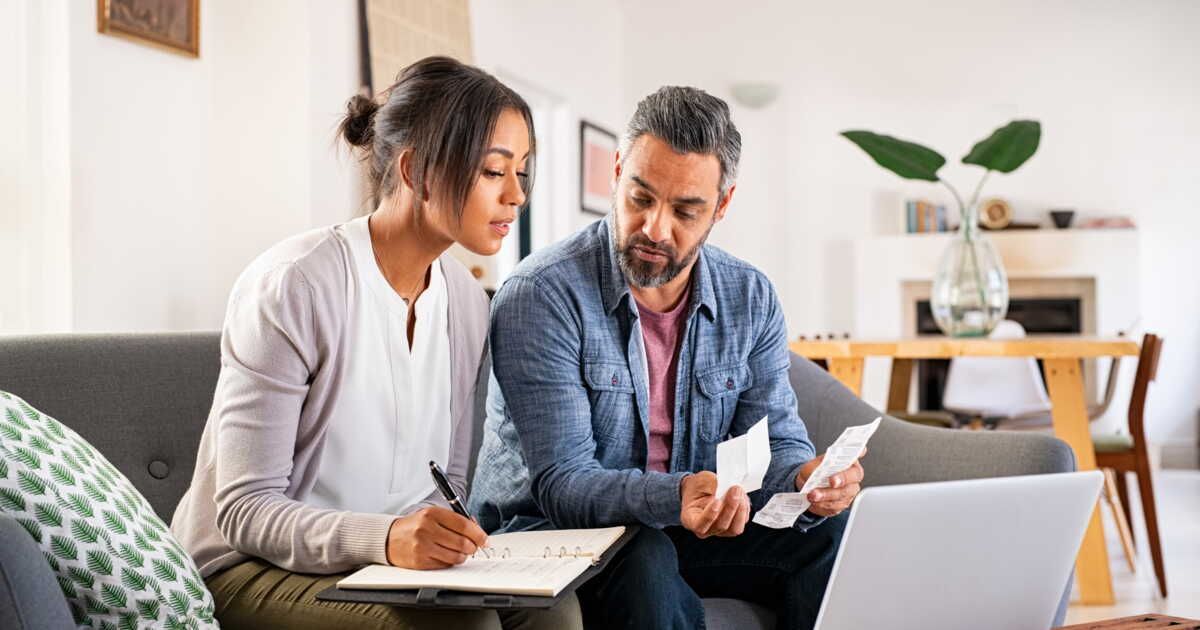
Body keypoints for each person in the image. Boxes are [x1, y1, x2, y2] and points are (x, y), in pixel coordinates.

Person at [171, 56, 580, 630]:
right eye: (494, 171)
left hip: (386, 567)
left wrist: (443, 543)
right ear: (415, 170)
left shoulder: (467, 304)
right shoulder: (295, 285)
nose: (516, 195)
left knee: (551, 611)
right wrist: (386, 538)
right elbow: (245, 511)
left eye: (522, 172)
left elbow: (447, 484)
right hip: (249, 568)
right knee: (460, 626)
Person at [468, 86, 866, 629]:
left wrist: (804, 479)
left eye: (684, 211)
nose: (655, 228)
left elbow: (775, 438)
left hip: (684, 525)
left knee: (831, 535)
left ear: (721, 206)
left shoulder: (750, 296)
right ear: (616, 173)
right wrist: (677, 495)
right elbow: (563, 484)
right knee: (646, 555)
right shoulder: (542, 294)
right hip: (551, 534)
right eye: (640, 198)